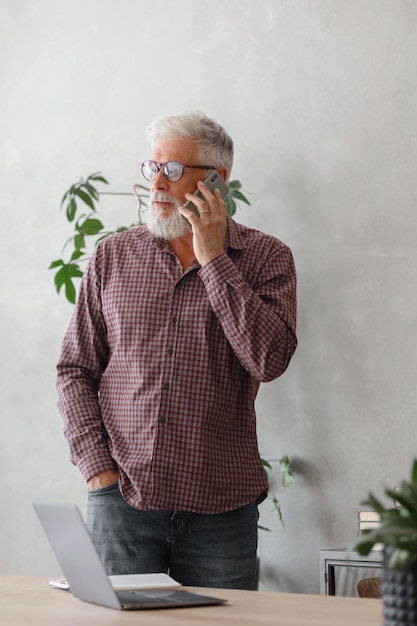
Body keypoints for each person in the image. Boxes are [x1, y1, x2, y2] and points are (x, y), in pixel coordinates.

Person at [56, 111, 297, 590]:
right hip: (121, 502)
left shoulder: (268, 258)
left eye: (171, 171)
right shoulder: (113, 255)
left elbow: (269, 360)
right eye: (152, 168)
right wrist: (97, 471)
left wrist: (213, 259)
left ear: (217, 180)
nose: (156, 185)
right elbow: (74, 369)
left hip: (221, 514)